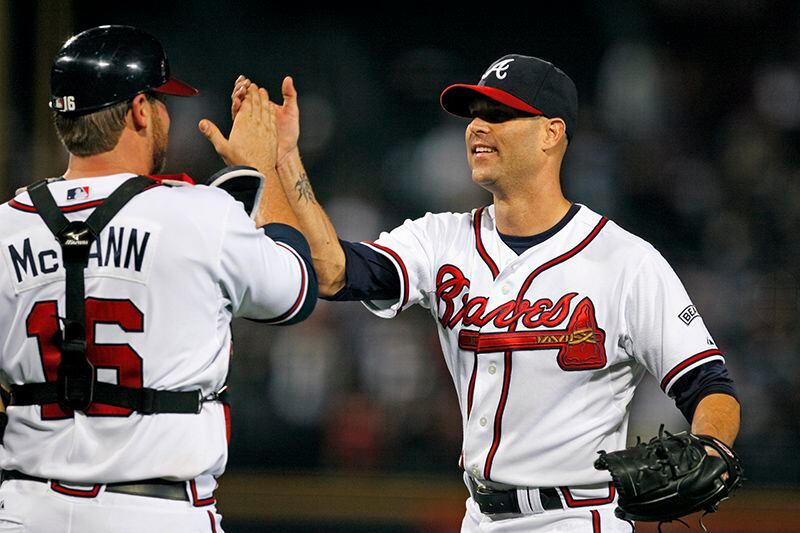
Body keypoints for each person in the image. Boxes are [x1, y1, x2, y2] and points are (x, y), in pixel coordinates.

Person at [232, 54, 741, 531]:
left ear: (551, 133)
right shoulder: (439, 239)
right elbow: (331, 272)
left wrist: (712, 446)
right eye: (474, 113)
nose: (477, 125)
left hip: (576, 518)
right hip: (480, 516)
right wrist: (284, 159)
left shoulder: (625, 260)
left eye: (499, 114)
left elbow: (710, 385)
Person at [0, 25, 317, 532]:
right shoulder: (198, 213)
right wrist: (266, 167)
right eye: (162, 102)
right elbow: (296, 290)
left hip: (24, 509)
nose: (169, 115)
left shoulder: (5, 226)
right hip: (154, 510)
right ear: (140, 111)